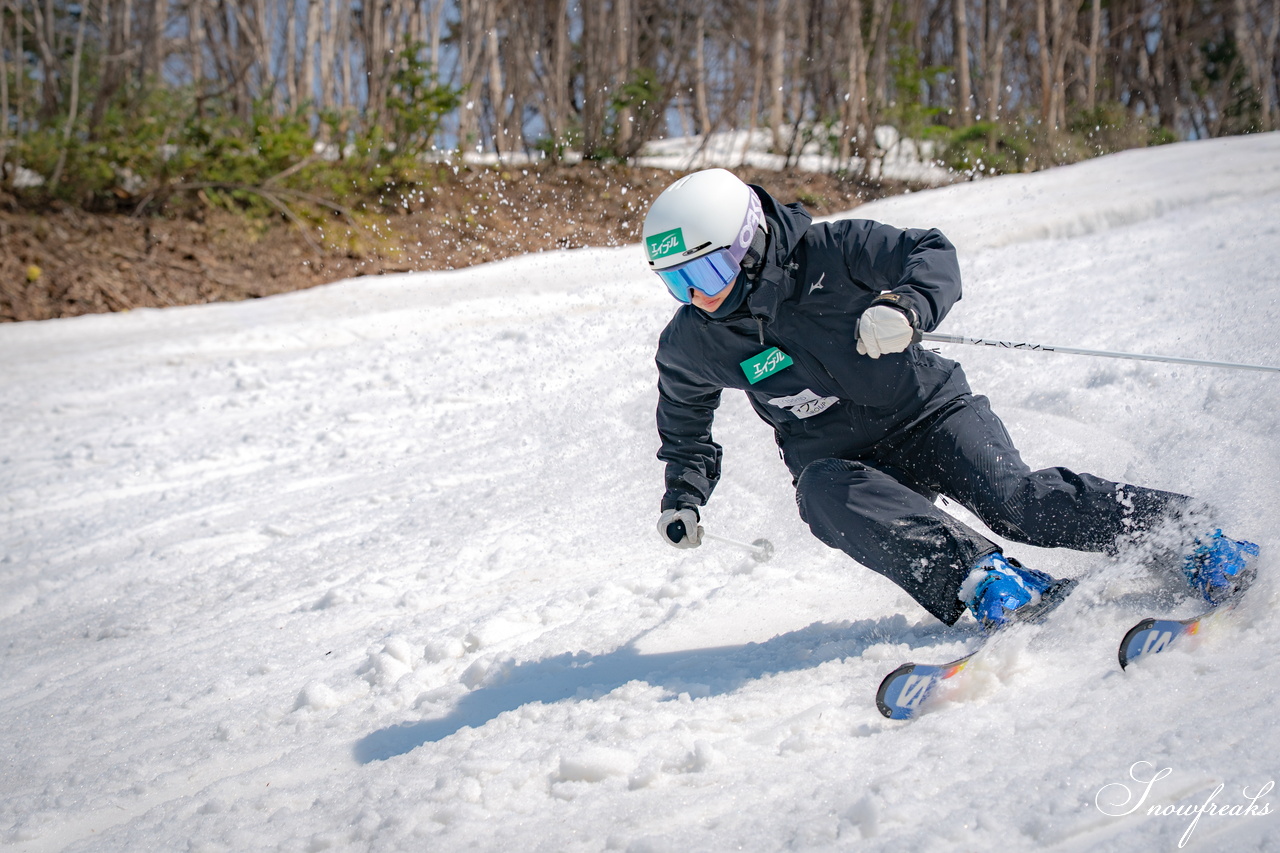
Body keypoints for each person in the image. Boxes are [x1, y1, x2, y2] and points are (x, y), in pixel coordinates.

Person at [643, 168, 1259, 630]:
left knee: (1019, 503)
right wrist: (685, 496)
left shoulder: (834, 251)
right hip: (849, 464)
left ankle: (1189, 534)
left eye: (706, 273)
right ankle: (987, 579)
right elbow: (686, 425)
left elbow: (931, 252)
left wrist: (906, 305)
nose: (697, 295)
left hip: (930, 413)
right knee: (820, 492)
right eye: (677, 282)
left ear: (749, 246)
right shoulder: (695, 341)